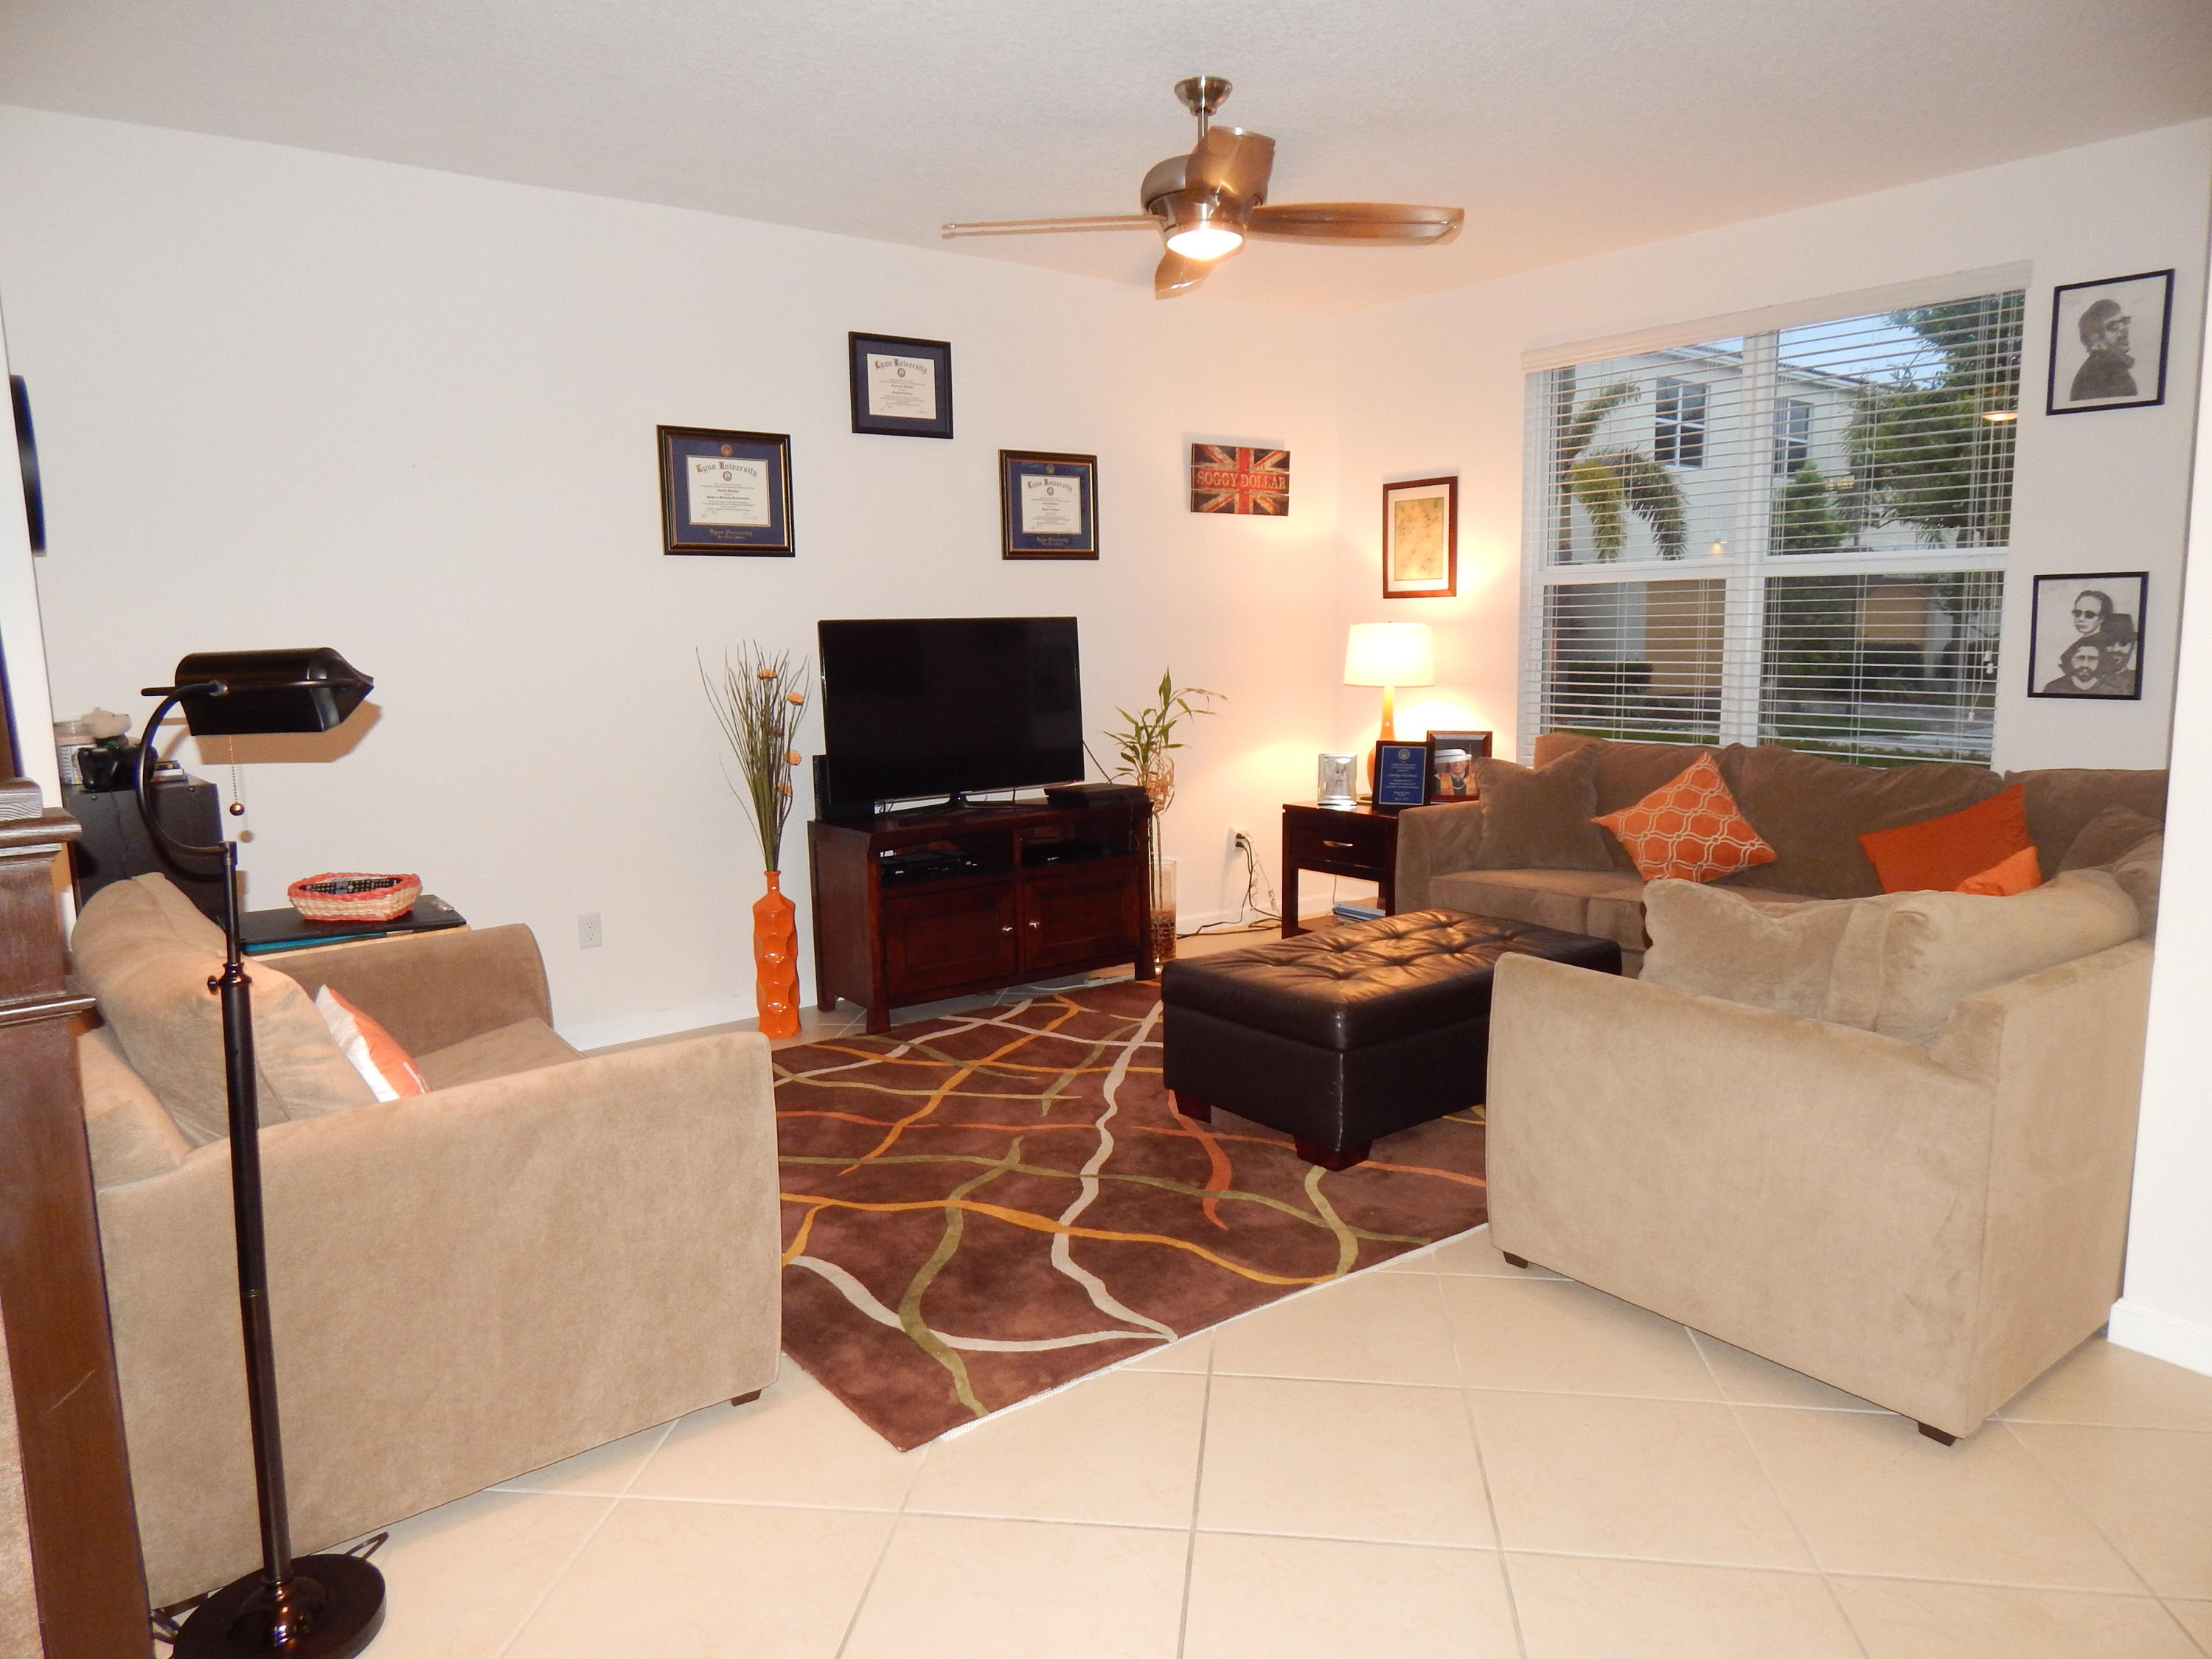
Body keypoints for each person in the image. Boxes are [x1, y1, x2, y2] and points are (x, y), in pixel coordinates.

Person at [2069, 297, 2138, 402]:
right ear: (2096, 341)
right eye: (2113, 326)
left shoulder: (2114, 368)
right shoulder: (2097, 375)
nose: (2124, 329)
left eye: (2124, 321)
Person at [2042, 639, 2106, 695]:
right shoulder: (2054, 688)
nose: (2085, 665)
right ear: (2070, 660)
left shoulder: (2110, 688)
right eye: (2080, 658)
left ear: (2100, 661)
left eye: (2092, 659)